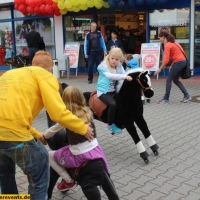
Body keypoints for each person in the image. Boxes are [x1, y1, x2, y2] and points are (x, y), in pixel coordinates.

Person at [0, 51, 94, 199]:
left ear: (32, 64)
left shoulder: (11, 74)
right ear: (50, 69)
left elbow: (12, 116)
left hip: (7, 131)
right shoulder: (46, 76)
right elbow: (58, 113)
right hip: (14, 133)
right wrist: (83, 128)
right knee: (40, 170)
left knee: (5, 175)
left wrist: (38, 135)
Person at [43, 86, 115, 197]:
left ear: (64, 100)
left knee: (49, 155)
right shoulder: (88, 111)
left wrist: (43, 136)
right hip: (95, 150)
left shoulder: (66, 117)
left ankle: (68, 180)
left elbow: (50, 132)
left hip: (79, 154)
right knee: (107, 179)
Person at [96, 47, 133, 135]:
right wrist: (124, 77)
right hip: (103, 91)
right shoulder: (103, 66)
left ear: (120, 59)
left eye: (117, 59)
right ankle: (110, 124)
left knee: (124, 101)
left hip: (113, 90)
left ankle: (121, 120)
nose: (114, 61)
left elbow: (125, 74)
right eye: (112, 58)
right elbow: (110, 76)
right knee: (113, 104)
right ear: (109, 57)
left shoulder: (119, 66)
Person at [154, 32, 191, 104]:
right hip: (182, 62)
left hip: (179, 62)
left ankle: (166, 99)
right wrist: (172, 64)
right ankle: (186, 95)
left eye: (160, 38)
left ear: (164, 37)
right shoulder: (175, 43)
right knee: (175, 80)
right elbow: (179, 54)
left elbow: (166, 60)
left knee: (168, 79)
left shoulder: (167, 45)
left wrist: (159, 69)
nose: (160, 39)